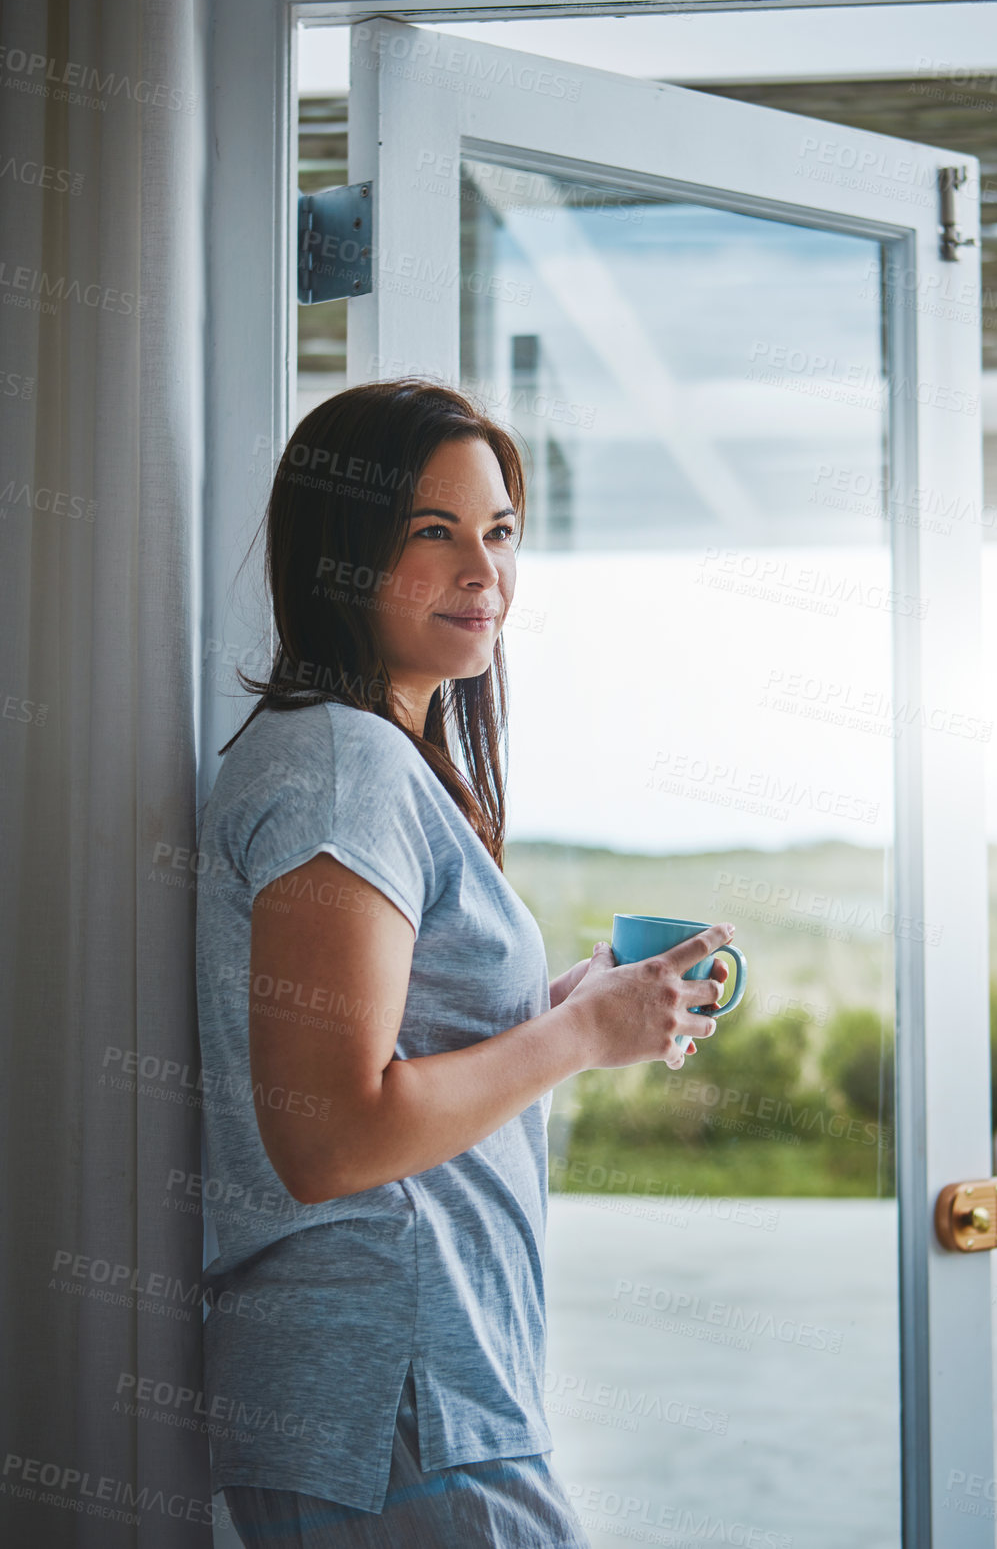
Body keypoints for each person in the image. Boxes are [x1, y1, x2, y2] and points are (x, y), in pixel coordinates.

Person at [195, 380, 732, 1547]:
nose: (482, 573)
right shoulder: (345, 765)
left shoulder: (359, 755)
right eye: (431, 533)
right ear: (339, 551)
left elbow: (394, 1044)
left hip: (404, 1402)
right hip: (392, 1399)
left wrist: (564, 1006)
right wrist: (584, 1036)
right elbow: (332, 1133)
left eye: (497, 532)